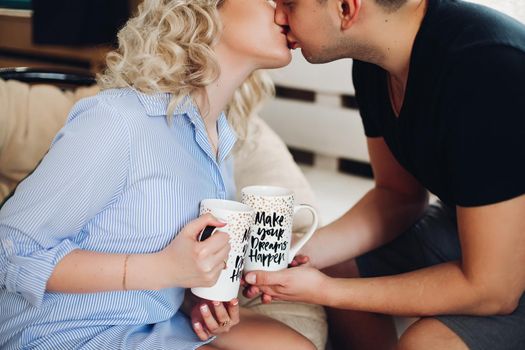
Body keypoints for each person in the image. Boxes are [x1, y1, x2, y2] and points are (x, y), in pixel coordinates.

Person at [0, 0, 317, 349]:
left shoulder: (218, 140)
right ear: (207, 7)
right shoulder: (120, 120)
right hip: (63, 334)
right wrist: (163, 270)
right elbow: (10, 251)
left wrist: (195, 296)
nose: (285, 8)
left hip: (148, 325)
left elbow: (156, 249)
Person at [243, 0, 525, 349]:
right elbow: (398, 195)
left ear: (346, 8)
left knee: (425, 344)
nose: (278, 15)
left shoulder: (486, 68)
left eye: (289, 3)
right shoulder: (373, 66)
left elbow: (494, 290)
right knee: (333, 261)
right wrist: (295, 252)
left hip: (506, 265)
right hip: (472, 226)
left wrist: (329, 292)